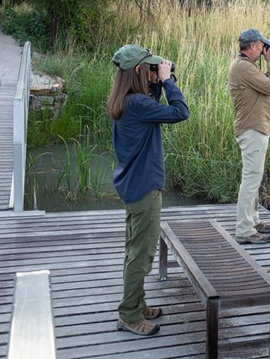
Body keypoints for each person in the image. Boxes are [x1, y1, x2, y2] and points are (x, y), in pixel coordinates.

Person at [107, 44, 189, 336]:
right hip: (144, 189)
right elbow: (180, 112)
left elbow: (152, 108)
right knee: (142, 256)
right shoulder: (139, 105)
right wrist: (167, 81)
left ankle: (138, 304)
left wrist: (155, 83)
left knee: (134, 250)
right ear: (140, 71)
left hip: (132, 185)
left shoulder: (125, 100)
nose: (158, 70)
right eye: (151, 68)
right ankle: (129, 315)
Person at [228, 28, 270, 245]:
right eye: (262, 46)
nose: (265, 50)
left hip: (255, 128)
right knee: (251, 180)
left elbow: (261, 85)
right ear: (253, 45)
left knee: (253, 179)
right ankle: (244, 230)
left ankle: (252, 221)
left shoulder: (245, 66)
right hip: (252, 129)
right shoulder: (243, 66)